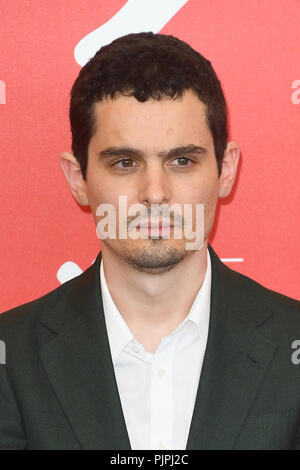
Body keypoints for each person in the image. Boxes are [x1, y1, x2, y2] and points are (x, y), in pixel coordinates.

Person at [0, 32, 299, 450]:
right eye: (125, 162)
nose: (155, 193)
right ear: (78, 179)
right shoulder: (9, 358)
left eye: (182, 161)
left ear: (226, 170)